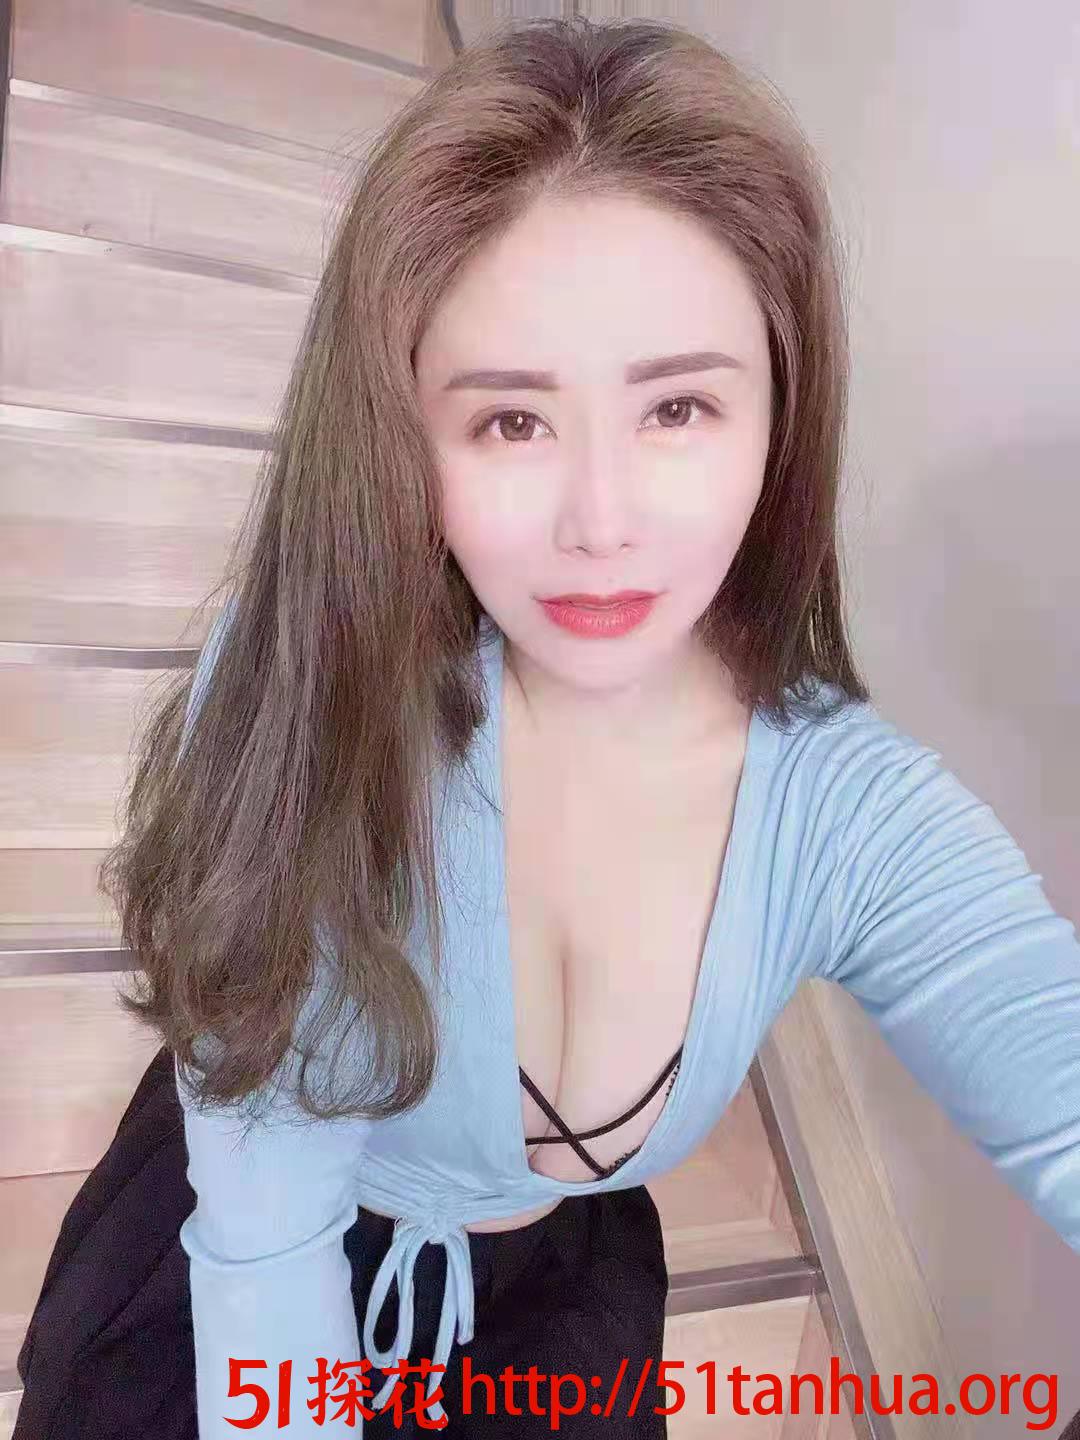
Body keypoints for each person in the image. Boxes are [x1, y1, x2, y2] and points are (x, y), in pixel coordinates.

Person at [15, 15, 1080, 1440]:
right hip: (237, 1265)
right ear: (407, 439)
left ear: (780, 415)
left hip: (554, 1307)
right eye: (512, 423)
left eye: (679, 407)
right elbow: (269, 1254)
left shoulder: (847, 812)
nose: (600, 523)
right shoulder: (318, 690)